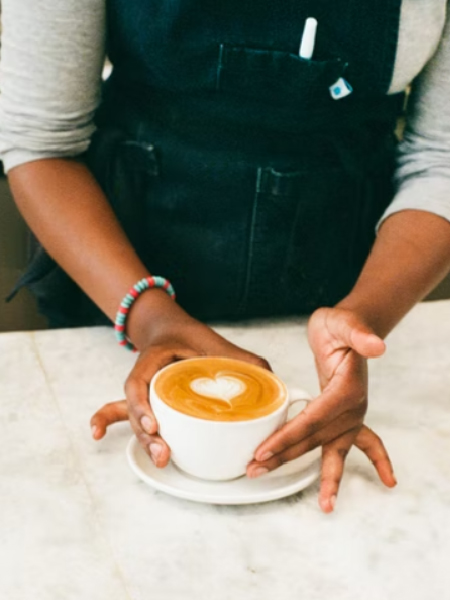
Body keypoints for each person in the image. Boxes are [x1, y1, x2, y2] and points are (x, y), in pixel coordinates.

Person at [1, 0, 450, 513]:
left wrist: (366, 316)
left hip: (338, 312)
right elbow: (42, 144)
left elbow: (441, 159)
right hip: (115, 310)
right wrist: (151, 318)